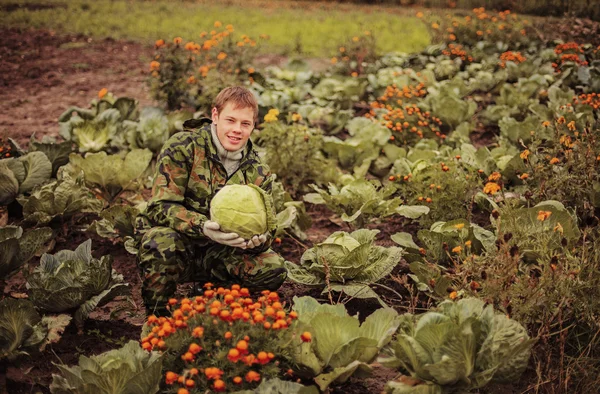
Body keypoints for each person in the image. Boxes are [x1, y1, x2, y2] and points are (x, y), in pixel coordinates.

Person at [135, 86, 287, 317]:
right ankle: (158, 317)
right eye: (230, 120)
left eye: (245, 124)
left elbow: (269, 223)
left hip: (221, 252)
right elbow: (160, 207)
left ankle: (213, 299)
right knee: (159, 241)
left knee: (273, 268)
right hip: (181, 246)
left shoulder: (258, 170)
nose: (237, 130)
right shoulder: (183, 148)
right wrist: (202, 227)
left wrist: (260, 240)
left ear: (254, 126)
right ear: (215, 116)